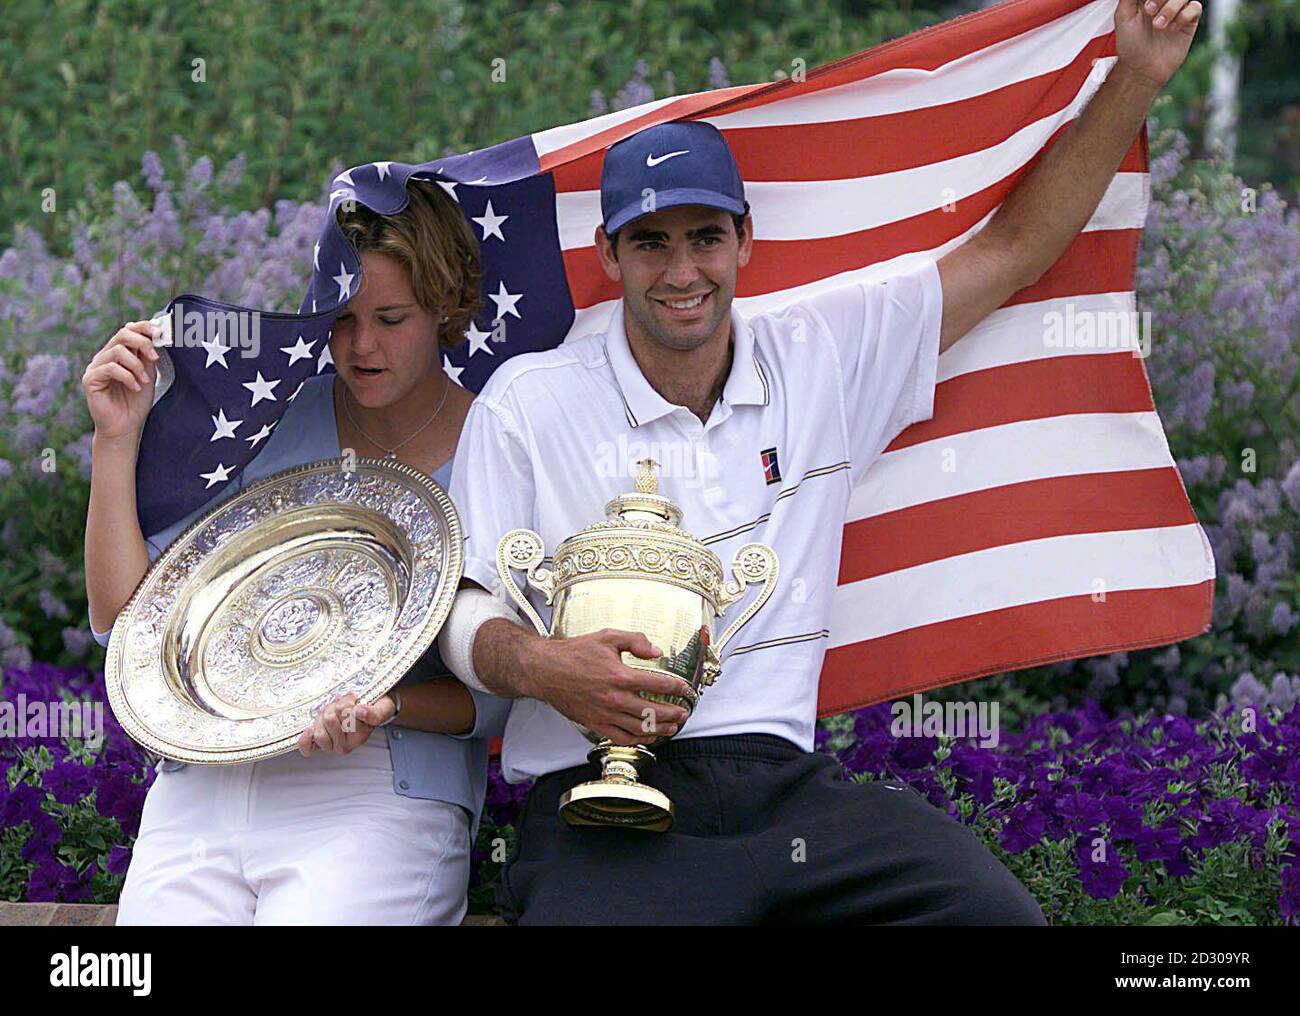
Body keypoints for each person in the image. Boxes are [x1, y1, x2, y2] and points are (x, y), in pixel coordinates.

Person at [433, 0, 1202, 923]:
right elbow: (463, 605)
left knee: (995, 917)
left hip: (782, 787)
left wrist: (1139, 77)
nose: (682, 270)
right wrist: (548, 667)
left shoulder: (822, 357)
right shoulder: (531, 397)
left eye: (705, 237)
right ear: (609, 254)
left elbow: (1015, 250)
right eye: (651, 242)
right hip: (596, 799)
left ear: (745, 241)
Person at [82, 178, 510, 925]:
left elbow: (505, 689)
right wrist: (115, 440)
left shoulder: (502, 441)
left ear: (447, 307)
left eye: (390, 318)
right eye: (341, 320)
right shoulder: (269, 415)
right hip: (203, 786)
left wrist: (386, 709)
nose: (361, 346)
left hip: (380, 788)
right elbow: (125, 625)